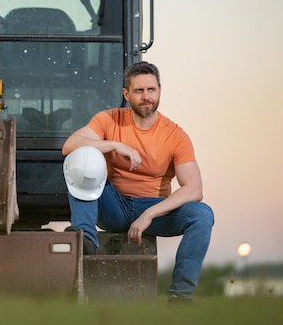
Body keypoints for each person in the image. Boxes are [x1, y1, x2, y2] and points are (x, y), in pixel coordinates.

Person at [62, 61, 214, 304]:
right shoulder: (109, 119)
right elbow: (69, 146)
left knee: (202, 215)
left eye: (151, 90)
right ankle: (87, 238)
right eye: (139, 91)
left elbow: (195, 189)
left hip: (154, 209)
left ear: (160, 91)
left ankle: (181, 296)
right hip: (113, 205)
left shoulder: (175, 135)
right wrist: (114, 145)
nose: (146, 97)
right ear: (126, 94)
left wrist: (149, 215)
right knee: (84, 156)